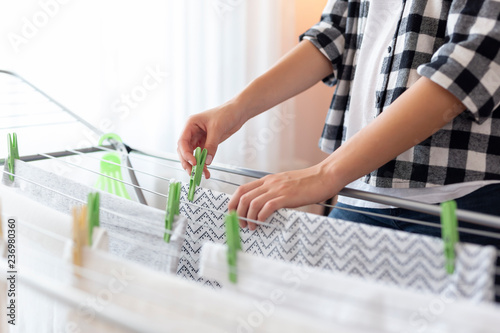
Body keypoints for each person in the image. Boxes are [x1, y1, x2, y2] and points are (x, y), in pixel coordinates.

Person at [177, 0, 500, 246]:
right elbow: (334, 34)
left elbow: (473, 62)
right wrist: (235, 109)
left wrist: (326, 172)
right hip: (359, 195)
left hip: (462, 200)